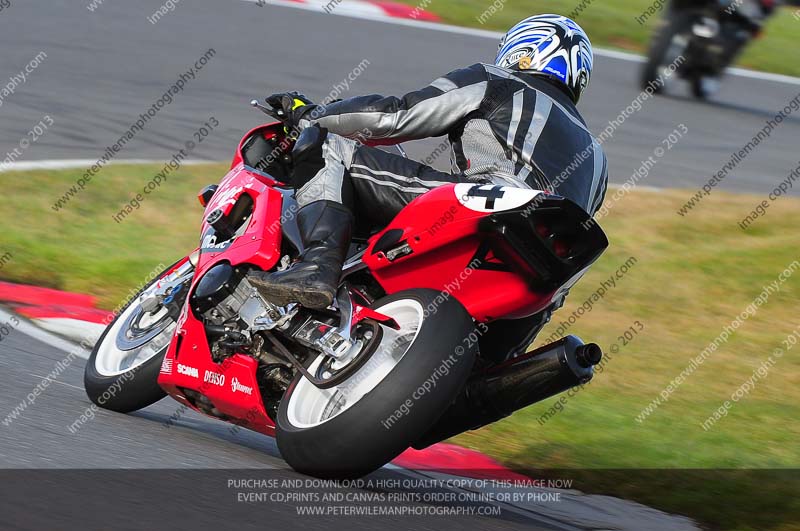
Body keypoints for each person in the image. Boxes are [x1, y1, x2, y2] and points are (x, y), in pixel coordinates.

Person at [248, 14, 609, 321]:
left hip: (489, 206)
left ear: (523, 50)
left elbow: (395, 117)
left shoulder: (498, 81)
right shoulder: (598, 159)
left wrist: (311, 114)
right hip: (539, 284)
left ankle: (317, 266)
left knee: (331, 147)